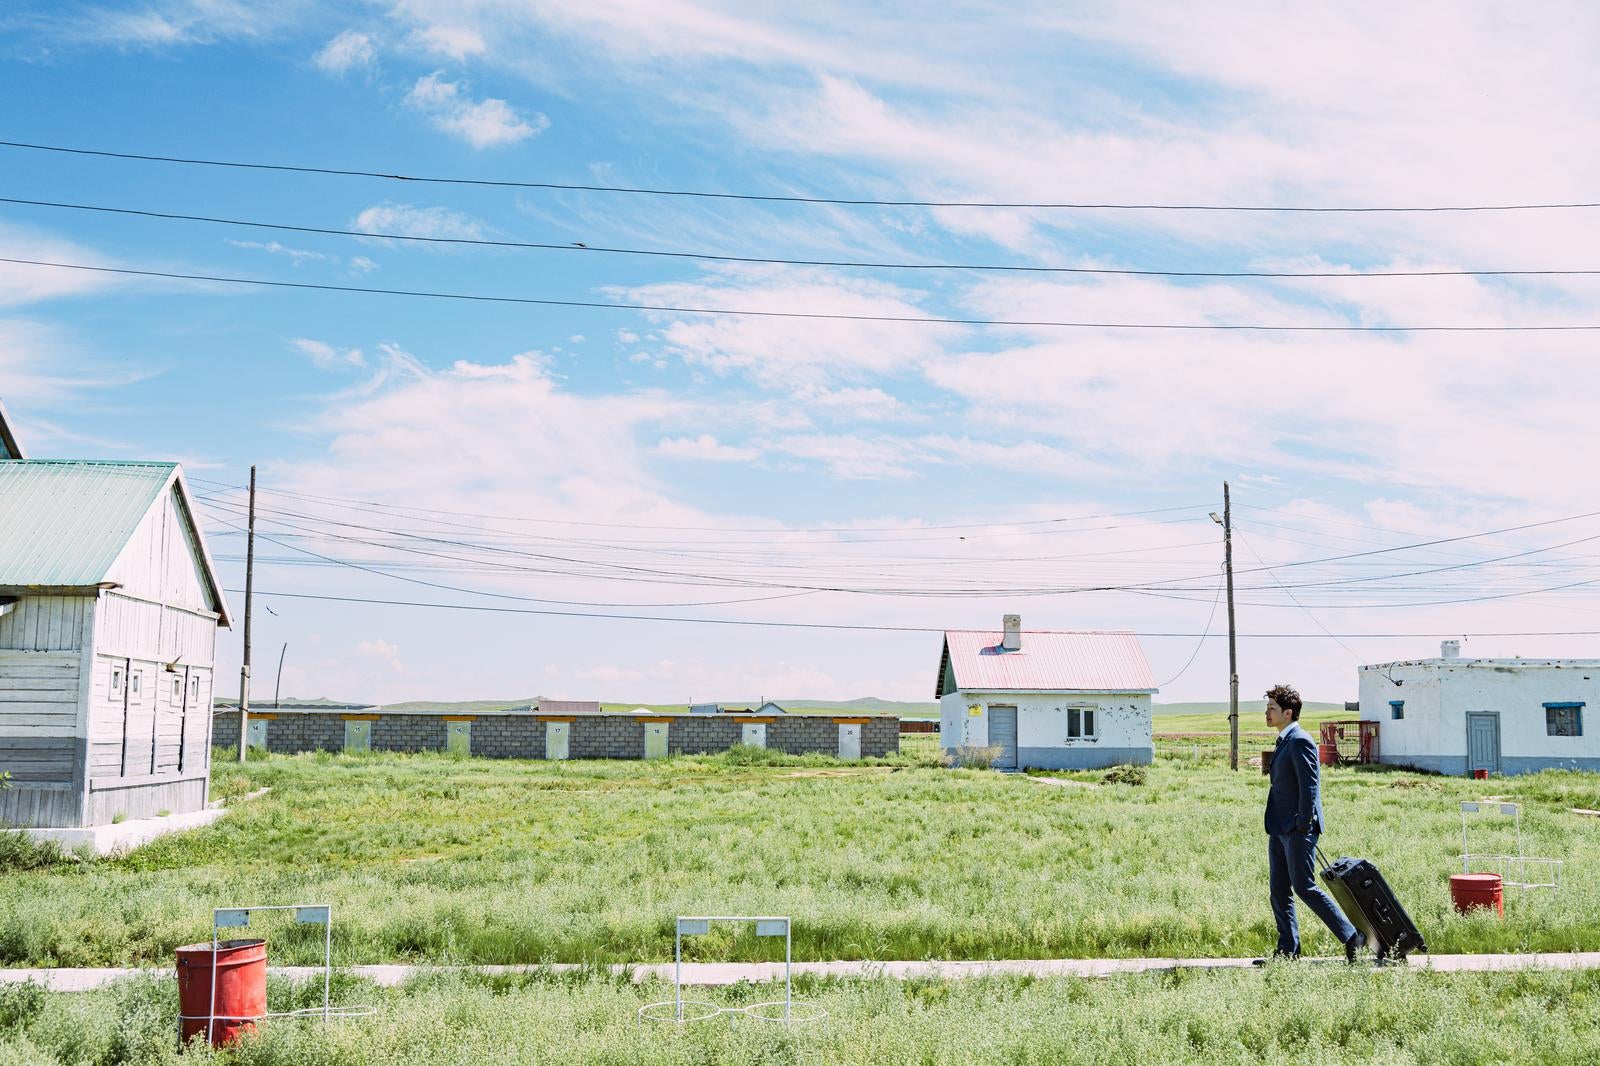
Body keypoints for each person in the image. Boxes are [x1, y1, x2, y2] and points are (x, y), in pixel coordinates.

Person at [1263, 683, 1365, 962]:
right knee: (1279, 891)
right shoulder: (1283, 739)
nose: (1266, 713)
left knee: (1304, 887)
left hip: (1298, 829)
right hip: (1279, 828)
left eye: (1271, 708)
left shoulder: (1300, 740)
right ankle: (1287, 950)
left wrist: (1303, 824)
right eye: (1267, 707)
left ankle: (1352, 937)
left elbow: (1310, 786)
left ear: (1288, 712)